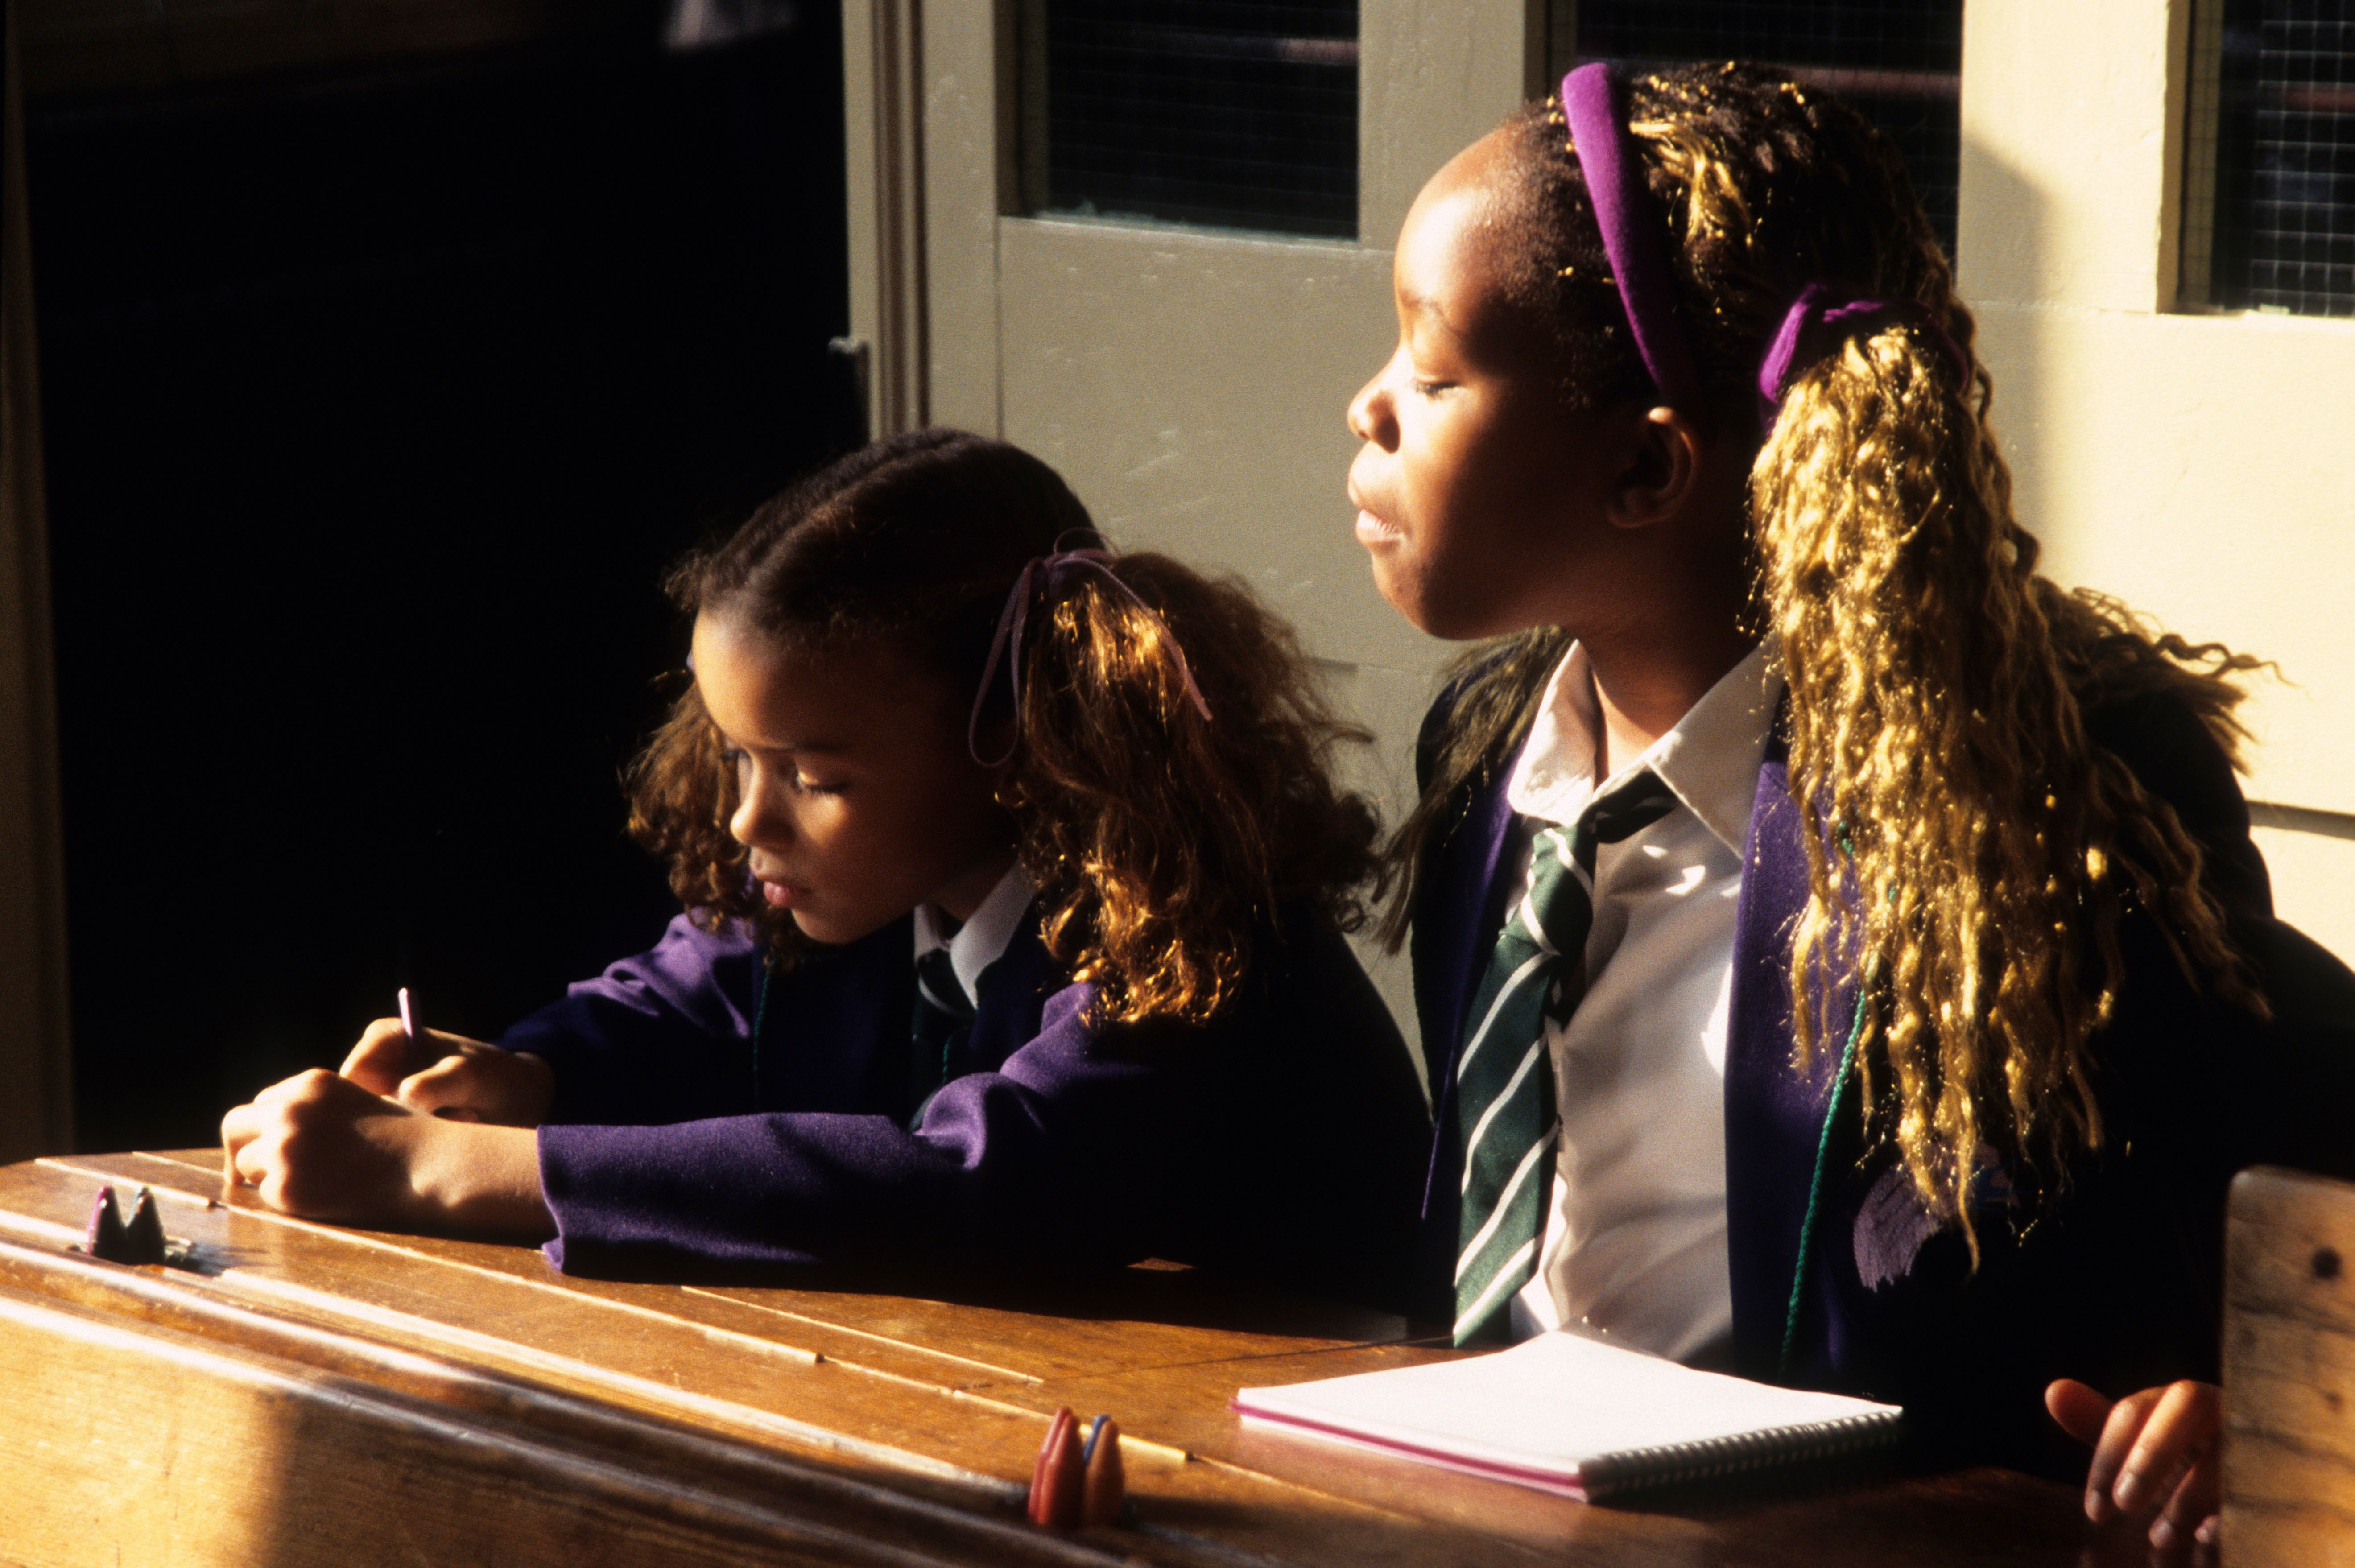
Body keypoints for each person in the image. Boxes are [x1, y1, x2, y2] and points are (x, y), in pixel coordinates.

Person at [1347, 59, 2350, 1550]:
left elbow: (2241, 1214)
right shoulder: (1489, 751)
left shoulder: (2035, 801)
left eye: (1434, 377)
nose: (1369, 407)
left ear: (1645, 466)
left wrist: (2232, 1401)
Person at [223, 428, 1432, 1311]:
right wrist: (522, 1079)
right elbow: (673, 1003)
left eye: (814, 773)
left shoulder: (1187, 942)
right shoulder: (858, 893)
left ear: (1013, 733)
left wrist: (452, 1172)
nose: (751, 819)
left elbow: (982, 1182)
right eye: (739, 754)